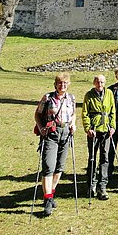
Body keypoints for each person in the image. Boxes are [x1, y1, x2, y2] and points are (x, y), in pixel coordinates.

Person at [34, 73, 76, 217]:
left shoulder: (71, 98)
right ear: (55, 84)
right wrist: (41, 128)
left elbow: (73, 114)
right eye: (59, 83)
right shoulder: (47, 98)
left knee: (59, 167)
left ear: (68, 84)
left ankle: (50, 194)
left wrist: (73, 124)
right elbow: (37, 114)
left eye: (65, 83)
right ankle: (47, 200)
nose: (62, 85)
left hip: (65, 134)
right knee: (48, 167)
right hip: (51, 134)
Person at [82, 75, 116, 200]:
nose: (99, 84)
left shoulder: (109, 94)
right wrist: (88, 128)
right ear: (94, 82)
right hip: (94, 130)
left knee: (105, 157)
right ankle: (91, 185)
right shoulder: (89, 95)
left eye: (101, 82)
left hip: (106, 130)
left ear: (105, 82)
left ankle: (102, 186)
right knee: (92, 158)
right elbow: (85, 113)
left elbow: (113, 111)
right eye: (97, 81)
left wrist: (112, 126)